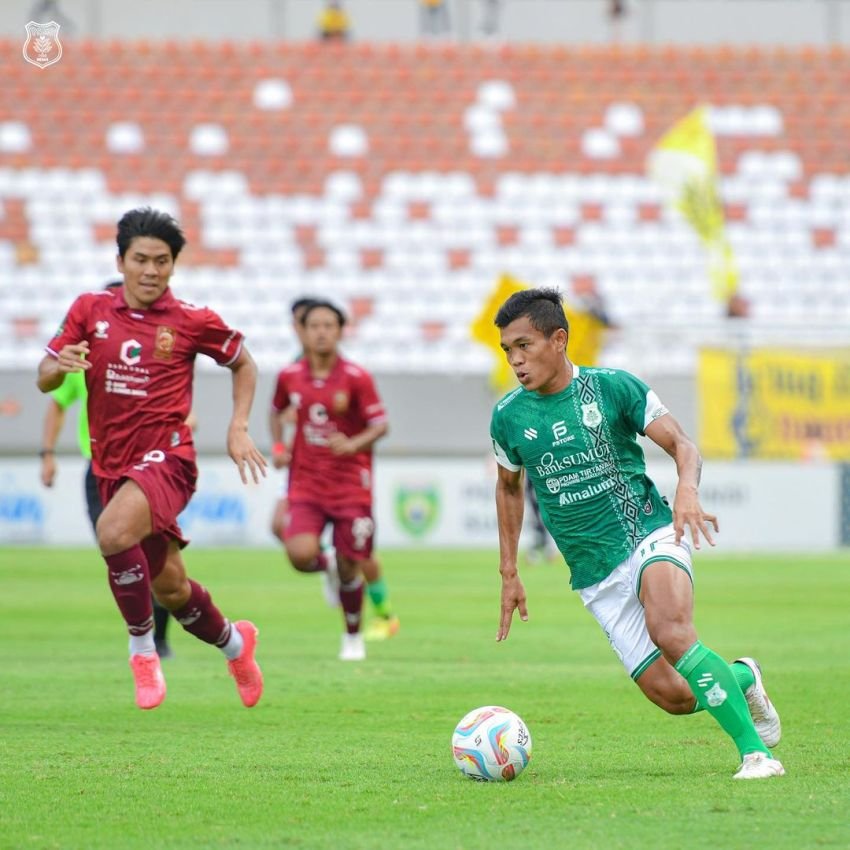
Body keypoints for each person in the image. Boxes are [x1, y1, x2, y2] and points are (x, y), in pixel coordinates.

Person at [489, 287, 784, 780]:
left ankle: (757, 755)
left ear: (559, 339)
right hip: (593, 572)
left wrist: (686, 491)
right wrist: (509, 570)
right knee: (674, 696)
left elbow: (683, 445)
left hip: (649, 531)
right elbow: (508, 488)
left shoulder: (614, 388)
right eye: (508, 351)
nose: (516, 361)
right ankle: (743, 676)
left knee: (670, 630)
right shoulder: (508, 415)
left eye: (525, 345)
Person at [37, 207, 266, 711]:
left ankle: (142, 651)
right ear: (121, 260)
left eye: (161, 261)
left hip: (169, 458)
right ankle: (235, 644)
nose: (150, 270)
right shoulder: (88, 310)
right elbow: (45, 375)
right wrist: (60, 366)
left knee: (113, 534)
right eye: (140, 259)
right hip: (111, 468)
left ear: (173, 265)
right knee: (171, 587)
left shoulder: (190, 320)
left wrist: (238, 425)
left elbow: (243, 361)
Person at [39, 280, 174, 658]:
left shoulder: (156, 363)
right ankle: (145, 638)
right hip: (99, 470)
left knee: (152, 556)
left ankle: (155, 642)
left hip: (152, 470)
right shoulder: (83, 361)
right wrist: (47, 453)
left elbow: (183, 406)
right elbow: (55, 399)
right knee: (117, 547)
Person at [270, 299, 395, 660]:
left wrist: (352, 443)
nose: (322, 332)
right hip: (306, 483)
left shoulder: (357, 377)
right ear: (303, 332)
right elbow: (276, 410)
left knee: (350, 561)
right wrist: (279, 446)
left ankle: (352, 636)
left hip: (350, 487)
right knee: (298, 553)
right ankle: (326, 570)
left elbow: (381, 424)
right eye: (315, 326)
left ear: (340, 331)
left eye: (329, 325)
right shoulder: (289, 375)